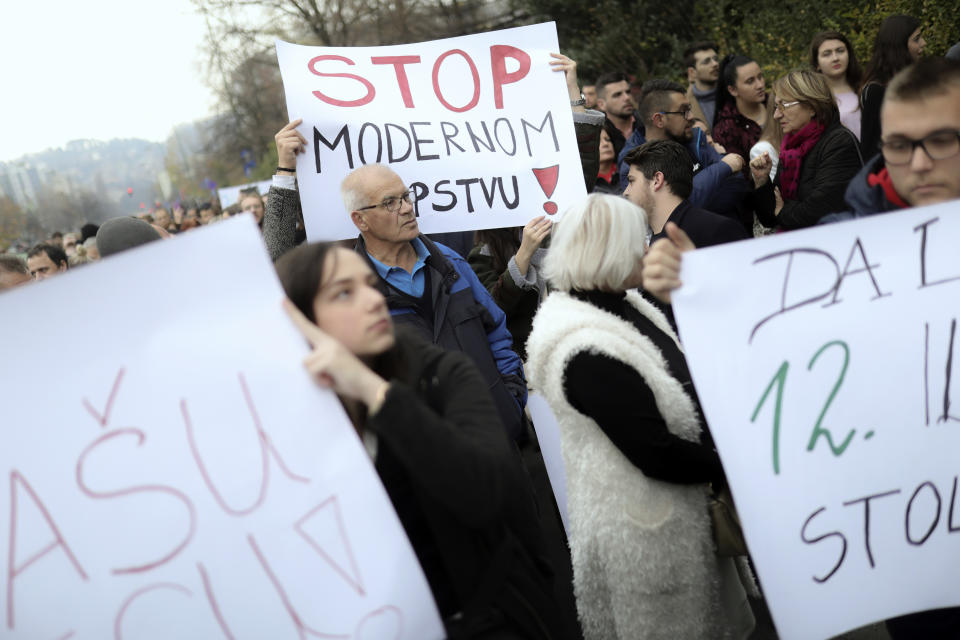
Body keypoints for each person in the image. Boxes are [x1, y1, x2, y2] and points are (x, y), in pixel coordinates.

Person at [276, 242, 577, 640]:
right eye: (344, 293)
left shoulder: (441, 374)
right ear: (300, 318)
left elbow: (483, 492)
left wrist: (374, 392)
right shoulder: (285, 425)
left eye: (370, 285)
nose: (372, 299)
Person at [526, 193, 754, 640]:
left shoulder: (623, 302)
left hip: (680, 512)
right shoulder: (584, 348)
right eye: (639, 242)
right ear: (610, 252)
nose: (648, 251)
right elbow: (654, 451)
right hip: (647, 531)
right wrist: (740, 465)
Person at [618, 79, 749, 222]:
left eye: (690, 109)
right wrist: (723, 167)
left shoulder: (695, 139)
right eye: (683, 111)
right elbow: (666, 213)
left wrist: (692, 201)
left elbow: (737, 186)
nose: (691, 116)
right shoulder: (633, 162)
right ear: (659, 119)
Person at [749, 69, 862, 230]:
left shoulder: (839, 143)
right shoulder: (791, 148)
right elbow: (769, 219)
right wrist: (762, 182)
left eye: (783, 105)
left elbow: (820, 210)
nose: (776, 115)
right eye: (775, 106)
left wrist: (783, 211)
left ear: (812, 106)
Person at [623, 140, 747, 247]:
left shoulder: (716, 230)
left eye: (631, 181)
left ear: (657, 180)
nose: (625, 192)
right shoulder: (646, 243)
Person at [467, 216, 552, 360]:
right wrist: (524, 253)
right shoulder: (484, 254)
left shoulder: (558, 234)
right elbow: (493, 310)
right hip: (521, 358)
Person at [860, 15, 925, 159]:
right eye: (916, 39)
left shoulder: (916, 82)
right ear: (898, 45)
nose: (923, 43)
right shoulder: (876, 91)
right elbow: (871, 150)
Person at [712, 55, 774, 159]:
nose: (760, 85)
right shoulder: (726, 129)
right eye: (750, 81)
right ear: (733, 90)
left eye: (760, 77)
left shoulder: (776, 104)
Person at [810, 30, 864, 140]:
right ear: (817, 64)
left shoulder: (866, 89)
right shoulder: (815, 99)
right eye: (827, 54)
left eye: (840, 51)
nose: (835, 58)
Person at [596, 71, 642, 160]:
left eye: (628, 92)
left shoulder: (647, 123)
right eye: (617, 95)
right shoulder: (599, 134)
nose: (627, 98)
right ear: (602, 104)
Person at [684, 41, 721, 131]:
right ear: (692, 72)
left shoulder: (734, 92)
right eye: (707, 61)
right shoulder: (684, 107)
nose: (715, 64)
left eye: (715, 59)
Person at [592, 129, 619, 193]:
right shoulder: (586, 182)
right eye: (598, 141)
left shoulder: (626, 171)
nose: (605, 144)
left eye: (607, 139)